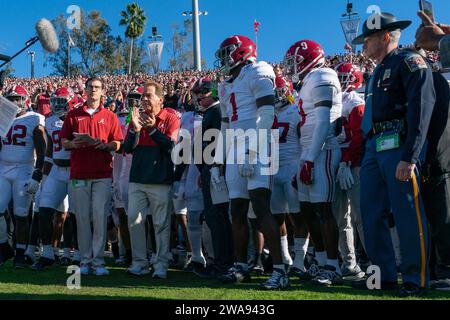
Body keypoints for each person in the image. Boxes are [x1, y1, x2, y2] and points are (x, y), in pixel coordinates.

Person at [351, 12, 435, 296]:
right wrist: (366, 156)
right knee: (371, 213)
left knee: (407, 213)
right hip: (376, 147)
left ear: (385, 36)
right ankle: (382, 276)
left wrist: (410, 156)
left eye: (369, 39)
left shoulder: (409, 61)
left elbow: (421, 109)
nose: (363, 46)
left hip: (399, 143)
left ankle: (415, 279)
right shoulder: (377, 70)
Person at [215, 35, 289, 290]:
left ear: (241, 52)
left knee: (260, 206)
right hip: (235, 147)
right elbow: (225, 124)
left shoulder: (259, 70)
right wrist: (219, 159)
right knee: (236, 208)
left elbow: (267, 114)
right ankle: (241, 266)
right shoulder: (225, 85)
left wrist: (252, 151)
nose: (223, 60)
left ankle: (280, 270)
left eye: (227, 53)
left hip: (258, 145)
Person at [283, 39, 343, 286]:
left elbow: (322, 121)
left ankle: (334, 265)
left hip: (323, 149)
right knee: (308, 210)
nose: (290, 67)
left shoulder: (323, 75)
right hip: (309, 151)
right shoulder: (308, 81)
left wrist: (308, 159)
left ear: (307, 58)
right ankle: (319, 260)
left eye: (293, 61)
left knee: (323, 210)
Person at [60, 77, 123, 276]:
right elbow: (64, 141)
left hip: (102, 173)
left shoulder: (110, 115)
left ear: (102, 91)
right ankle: (85, 260)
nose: (94, 90)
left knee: (99, 218)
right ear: (85, 90)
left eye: (97, 87)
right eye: (91, 87)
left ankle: (99, 261)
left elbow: (118, 143)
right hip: (79, 173)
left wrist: (103, 145)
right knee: (82, 218)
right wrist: (72, 144)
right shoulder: (73, 114)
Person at [124, 80, 180, 279]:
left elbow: (171, 148)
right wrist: (136, 130)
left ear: (160, 99)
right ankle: (139, 263)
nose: (144, 100)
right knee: (134, 221)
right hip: (137, 178)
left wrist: (153, 129)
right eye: (143, 96)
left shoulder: (171, 118)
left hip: (160, 179)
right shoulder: (136, 117)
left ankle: (161, 264)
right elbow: (127, 149)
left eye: (148, 95)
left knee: (161, 224)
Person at [31, 87, 79, 270]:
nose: (58, 105)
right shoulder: (50, 121)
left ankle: (77, 254)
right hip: (56, 171)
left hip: (75, 171)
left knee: (75, 215)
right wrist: (43, 172)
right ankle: (48, 253)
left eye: (62, 101)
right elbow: (49, 149)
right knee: (44, 209)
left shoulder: (77, 119)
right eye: (56, 101)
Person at [0, 85, 47, 269]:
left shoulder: (34, 118)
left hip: (23, 170)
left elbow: (42, 149)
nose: (14, 102)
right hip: (3, 168)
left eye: (18, 98)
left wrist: (37, 173)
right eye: (11, 98)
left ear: (26, 99)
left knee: (20, 215)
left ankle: (20, 252)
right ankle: (4, 246)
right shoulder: (3, 117)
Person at [192, 77, 234, 277]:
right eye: (197, 92)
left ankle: (223, 264)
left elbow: (219, 143)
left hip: (216, 168)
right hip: (210, 168)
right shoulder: (212, 111)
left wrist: (214, 167)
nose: (199, 96)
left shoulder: (217, 111)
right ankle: (222, 262)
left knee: (217, 217)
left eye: (203, 92)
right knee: (214, 217)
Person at [333, 62, 366, 280]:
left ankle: (374, 262)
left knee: (360, 215)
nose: (340, 82)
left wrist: (347, 161)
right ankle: (349, 262)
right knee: (340, 217)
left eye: (345, 77)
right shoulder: (334, 102)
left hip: (354, 164)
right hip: (337, 162)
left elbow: (359, 136)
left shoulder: (356, 101)